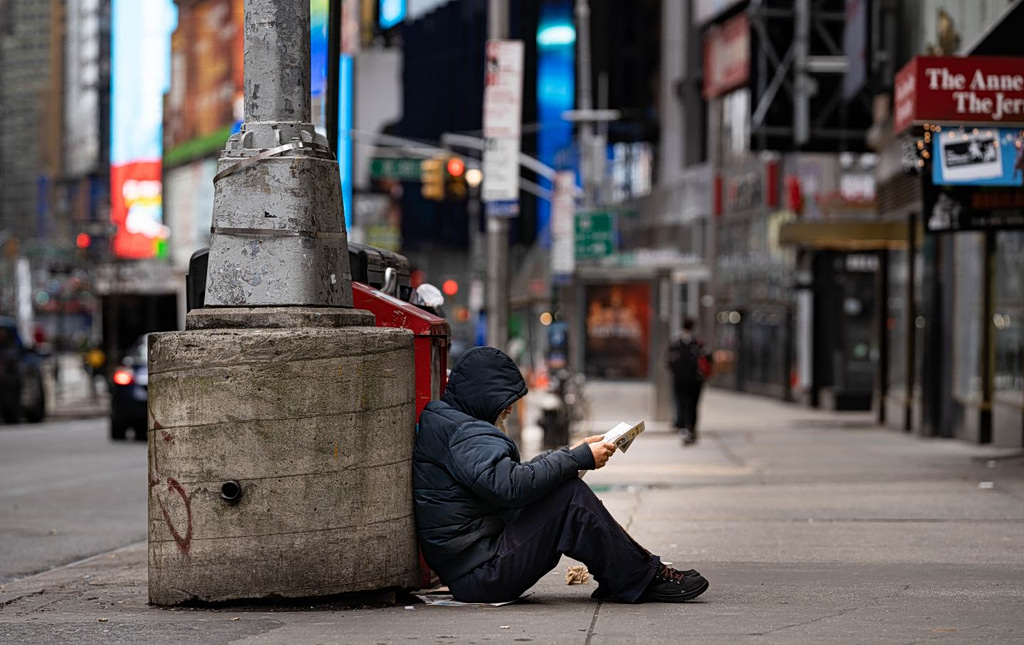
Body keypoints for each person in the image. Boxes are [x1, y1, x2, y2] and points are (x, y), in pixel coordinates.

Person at [413, 346, 709, 604]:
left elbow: (509, 479)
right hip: (481, 573)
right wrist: (575, 458)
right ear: (485, 397)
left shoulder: (452, 424)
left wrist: (573, 454)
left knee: (564, 488)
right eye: (505, 408)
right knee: (569, 496)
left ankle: (626, 573)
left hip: (476, 564)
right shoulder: (463, 433)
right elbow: (511, 487)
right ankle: (637, 577)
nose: (508, 413)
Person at [667, 318, 712, 446]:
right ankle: (689, 429)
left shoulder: (676, 342)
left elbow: (669, 360)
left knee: (682, 403)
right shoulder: (698, 343)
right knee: (691, 406)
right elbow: (709, 358)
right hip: (693, 381)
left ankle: (684, 428)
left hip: (682, 380)